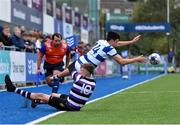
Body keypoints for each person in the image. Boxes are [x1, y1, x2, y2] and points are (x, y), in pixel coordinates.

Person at [48, 31, 146, 81]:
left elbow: (118, 44)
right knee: (85, 89)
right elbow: (122, 62)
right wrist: (136, 59)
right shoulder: (110, 49)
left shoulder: (102, 41)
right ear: (112, 41)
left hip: (79, 61)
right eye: (116, 41)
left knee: (57, 76)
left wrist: (131, 42)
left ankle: (53, 79)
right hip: (84, 69)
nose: (117, 43)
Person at [5, 63, 95, 111]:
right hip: (74, 103)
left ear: (87, 71)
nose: (80, 71)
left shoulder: (79, 78)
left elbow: (71, 68)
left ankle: (13, 89)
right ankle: (36, 101)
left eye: (82, 70)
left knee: (41, 95)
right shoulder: (93, 83)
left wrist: (77, 60)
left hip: (68, 105)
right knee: (54, 94)